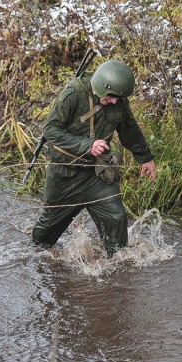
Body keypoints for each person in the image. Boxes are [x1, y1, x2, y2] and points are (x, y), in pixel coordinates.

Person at [32, 59, 156, 257]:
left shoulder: (118, 99)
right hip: (65, 175)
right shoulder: (73, 93)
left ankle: (119, 267)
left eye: (118, 98)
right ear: (100, 85)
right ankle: (35, 258)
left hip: (97, 175)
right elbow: (51, 130)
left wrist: (145, 158)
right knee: (44, 237)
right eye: (111, 96)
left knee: (116, 217)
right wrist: (87, 145)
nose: (115, 101)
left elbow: (129, 129)